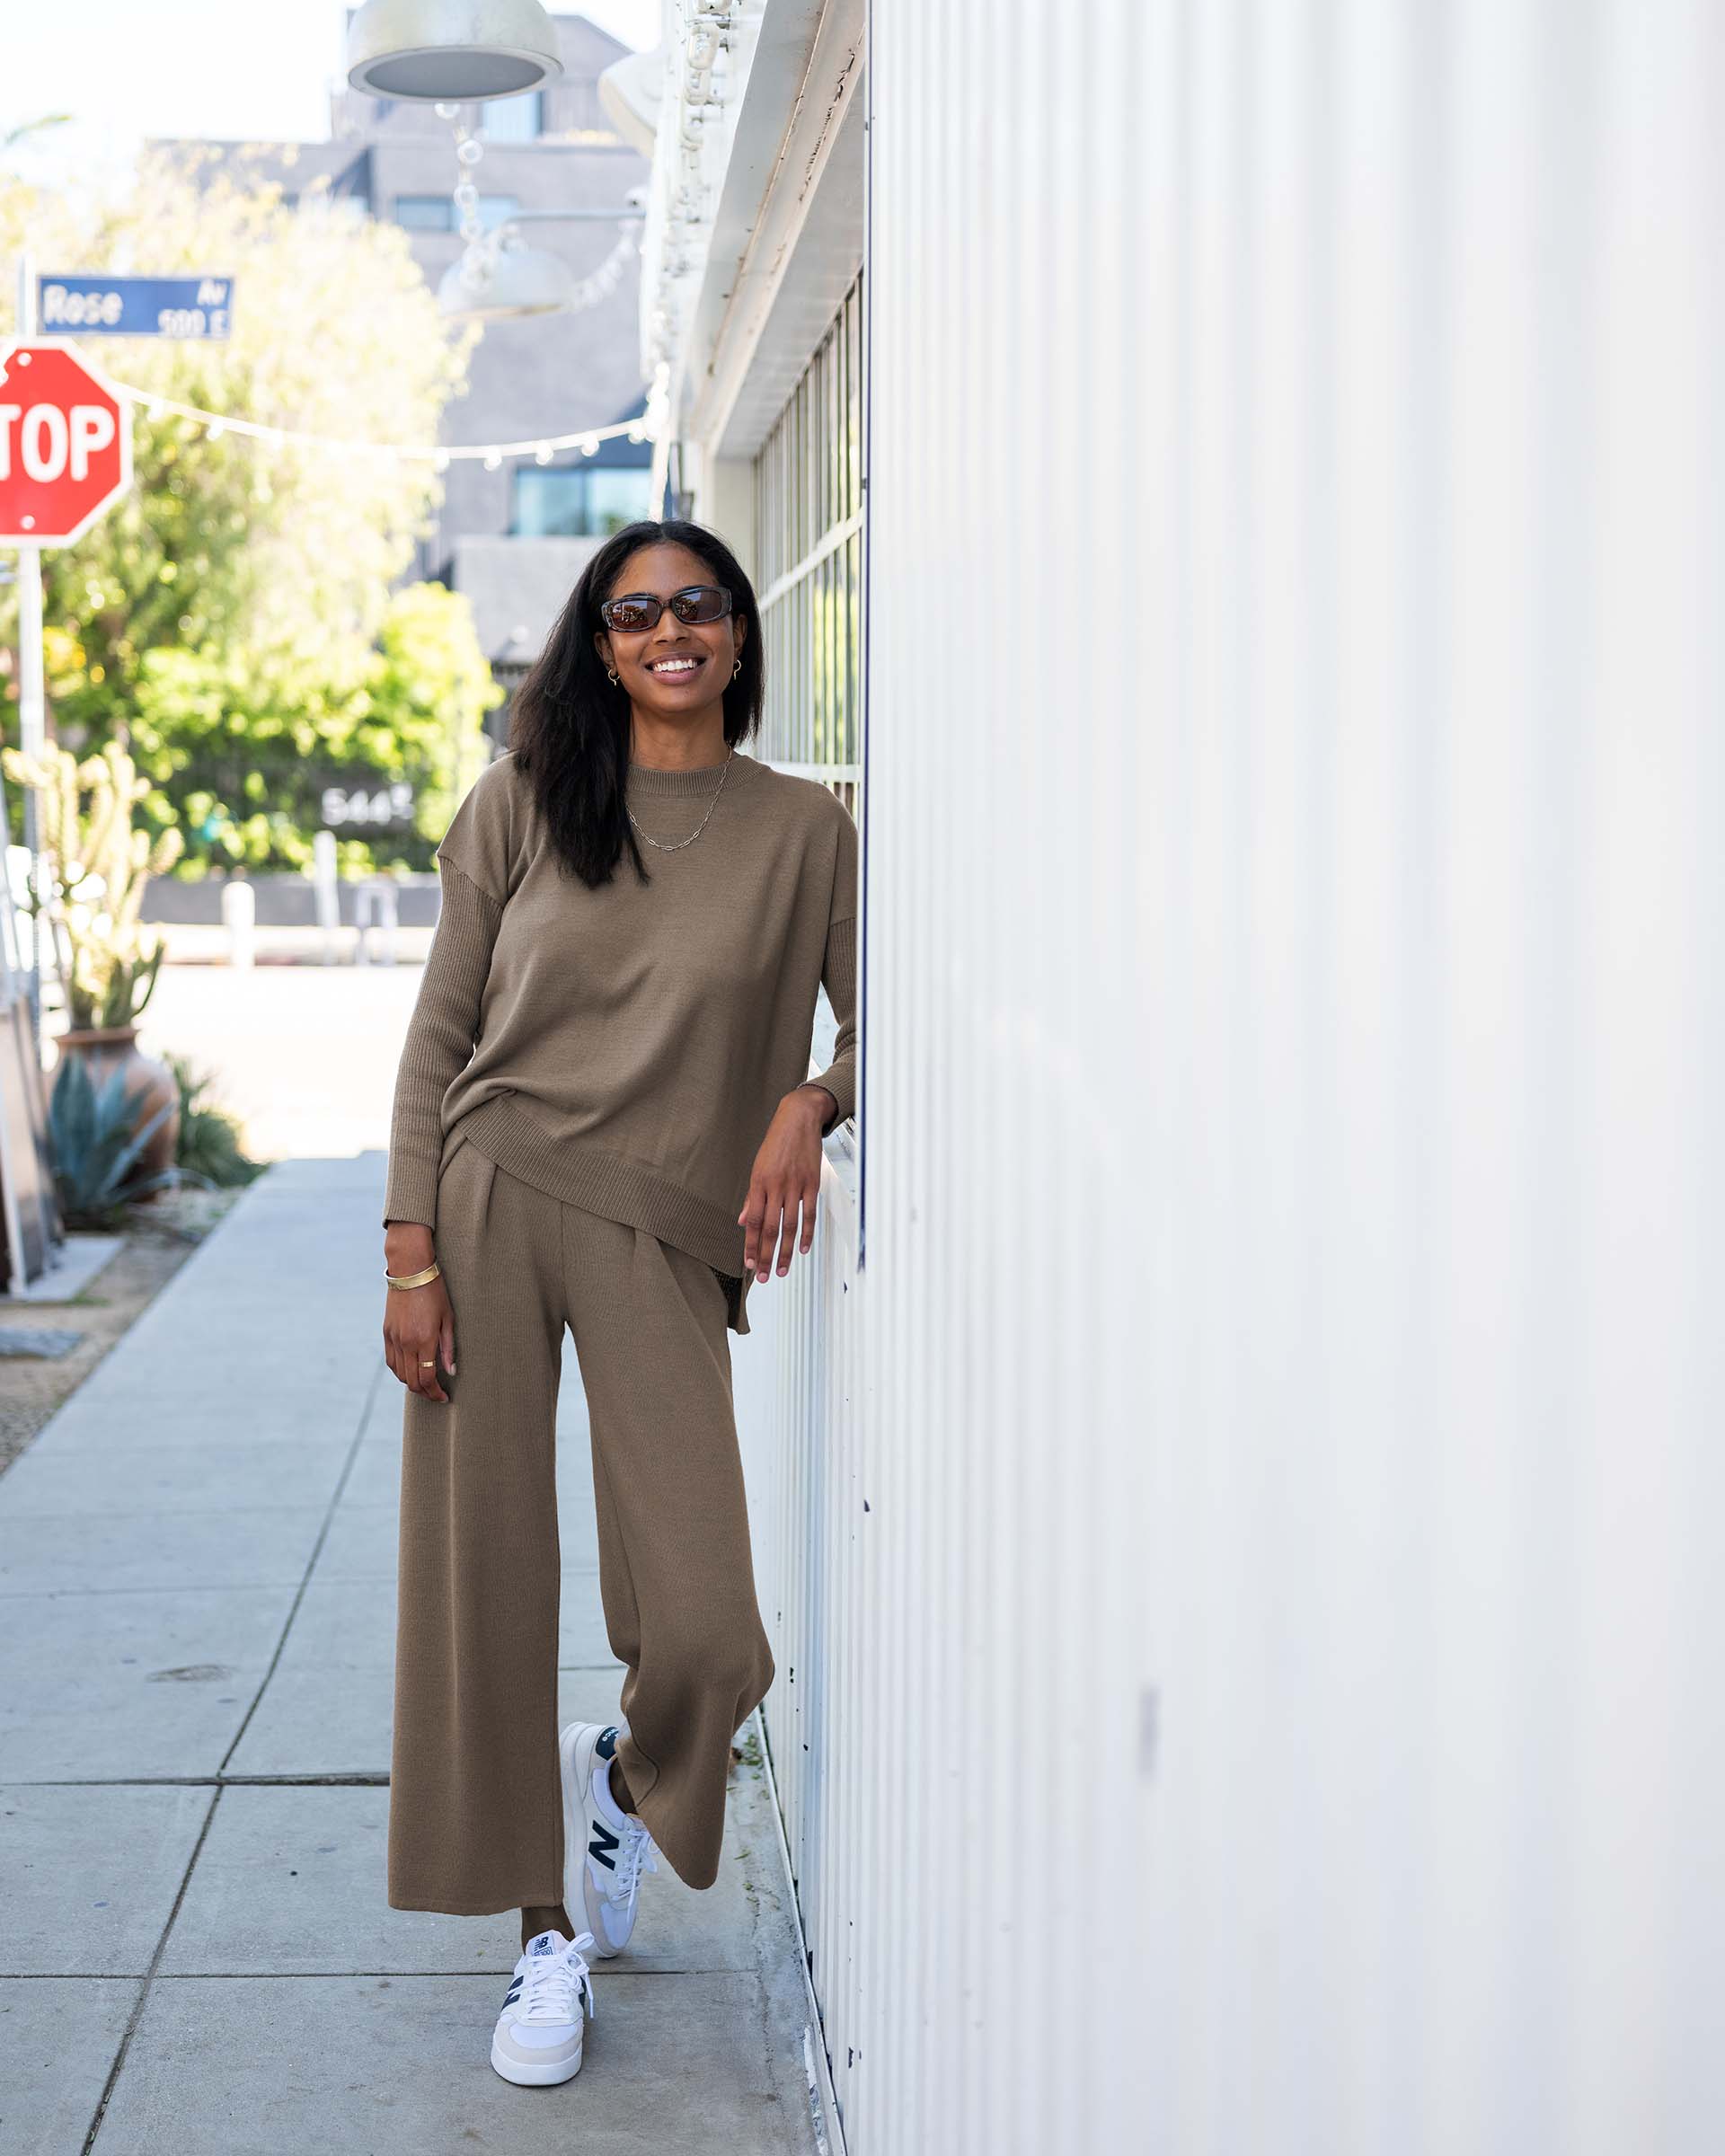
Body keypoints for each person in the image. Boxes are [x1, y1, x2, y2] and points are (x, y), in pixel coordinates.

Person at [377, 517, 858, 2085]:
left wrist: (810, 1102)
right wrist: (409, 1253)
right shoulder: (522, 803)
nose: (670, 630)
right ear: (598, 643)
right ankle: (541, 1941)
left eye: (698, 606)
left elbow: (885, 1025)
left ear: (737, 634)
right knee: (488, 1583)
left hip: (660, 1230)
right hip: (493, 1193)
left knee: (710, 1629)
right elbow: (438, 1042)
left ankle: (628, 1777)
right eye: (635, 610)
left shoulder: (805, 832)